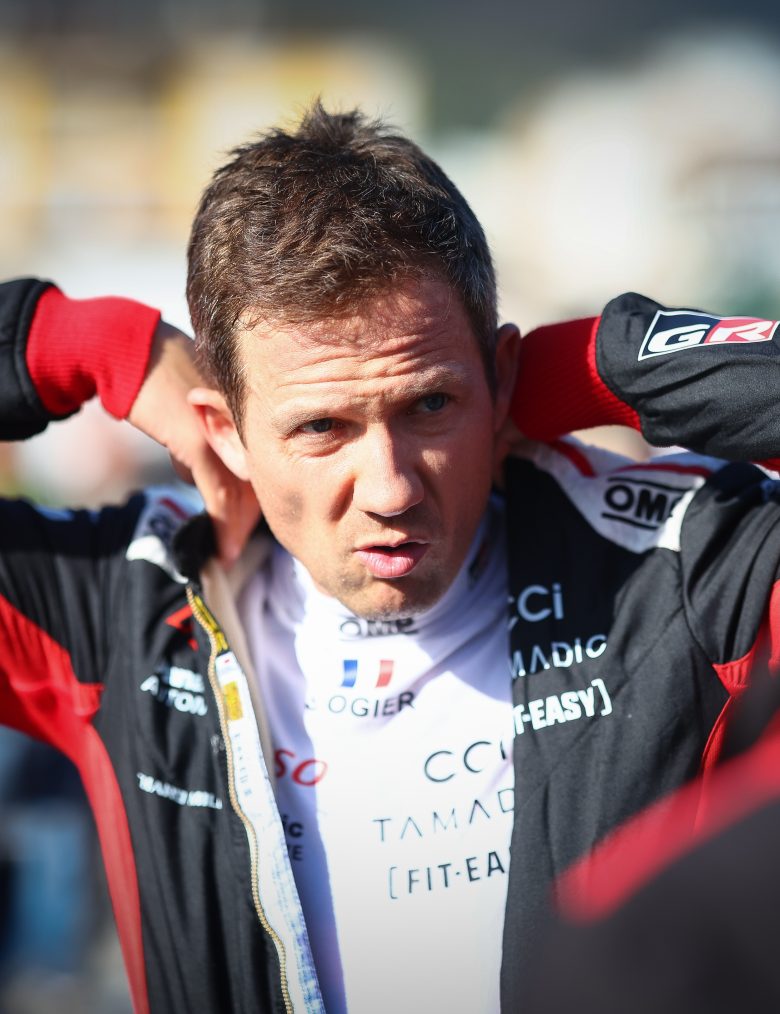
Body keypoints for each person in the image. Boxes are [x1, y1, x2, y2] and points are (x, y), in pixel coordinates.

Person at [3, 103, 780, 1013]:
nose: (391, 488)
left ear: (501, 378)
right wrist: (80, 345)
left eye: (430, 405)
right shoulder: (119, 606)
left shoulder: (683, 561)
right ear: (224, 430)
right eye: (321, 427)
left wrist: (594, 368)